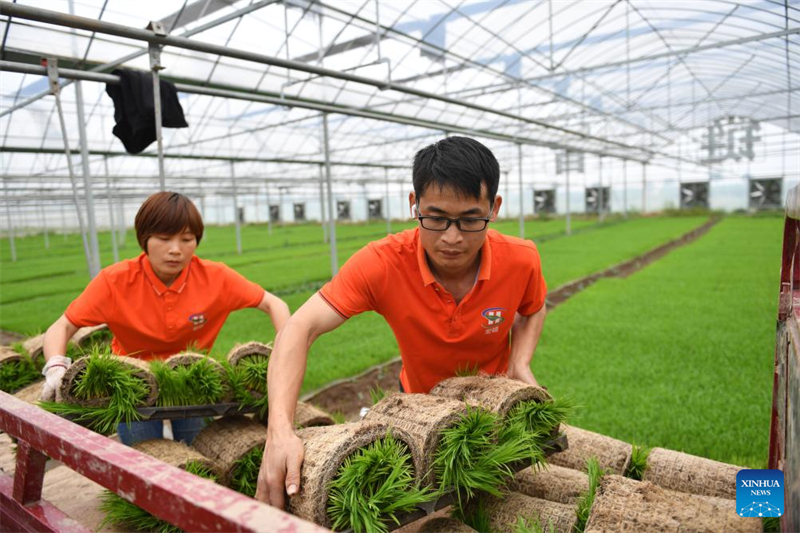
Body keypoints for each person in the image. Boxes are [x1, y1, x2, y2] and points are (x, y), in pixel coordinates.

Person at [256, 136, 548, 508]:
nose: (452, 237)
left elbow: (533, 307)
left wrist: (519, 362)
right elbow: (300, 328)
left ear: (494, 209)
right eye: (437, 218)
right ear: (414, 206)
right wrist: (279, 430)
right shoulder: (382, 263)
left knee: (499, 506)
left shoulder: (522, 259)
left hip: (493, 409)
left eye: (471, 219)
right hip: (418, 413)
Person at [40, 191, 290, 445]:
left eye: (186, 239)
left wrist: (286, 353)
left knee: (200, 455)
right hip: (132, 383)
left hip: (192, 380)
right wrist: (56, 366)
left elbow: (273, 303)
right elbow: (64, 325)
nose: (175, 250)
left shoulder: (216, 278)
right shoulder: (115, 282)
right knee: (141, 457)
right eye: (164, 238)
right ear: (145, 238)